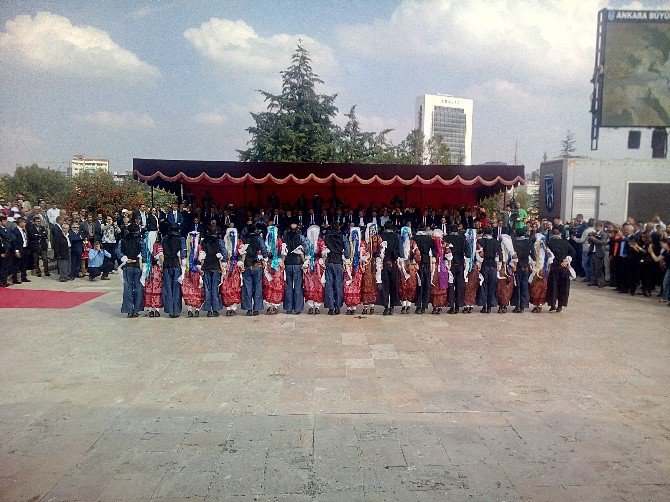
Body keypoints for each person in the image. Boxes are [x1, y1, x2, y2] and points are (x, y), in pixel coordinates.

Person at [241, 220, 267, 316]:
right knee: (258, 287)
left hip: (247, 265)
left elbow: (241, 251)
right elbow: (263, 248)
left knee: (247, 287)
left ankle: (248, 309)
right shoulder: (258, 238)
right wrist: (265, 258)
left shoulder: (244, 238)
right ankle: (256, 308)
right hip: (257, 265)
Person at [546, 228, 575, 312]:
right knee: (563, 286)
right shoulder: (565, 242)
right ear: (560, 234)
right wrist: (567, 260)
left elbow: (547, 254)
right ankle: (560, 305)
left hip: (554, 267)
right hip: (563, 266)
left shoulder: (549, 242)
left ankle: (552, 304)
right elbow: (573, 252)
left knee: (553, 286)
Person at [200, 227, 227, 317]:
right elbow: (224, 253)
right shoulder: (219, 241)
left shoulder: (204, 241)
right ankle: (215, 309)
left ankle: (208, 309)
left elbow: (201, 255)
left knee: (207, 289)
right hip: (215, 266)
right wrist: (223, 264)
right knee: (215, 289)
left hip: (206, 266)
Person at [378, 221, 402, 315]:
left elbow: (378, 249)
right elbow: (400, 249)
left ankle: (385, 306)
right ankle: (392, 306)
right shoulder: (397, 236)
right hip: (393, 262)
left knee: (385, 285)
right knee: (393, 284)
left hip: (384, 263)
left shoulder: (381, 236)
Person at [446, 225, 471, 314]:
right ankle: (458, 305)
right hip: (460, 264)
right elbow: (468, 253)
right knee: (460, 285)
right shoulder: (463, 239)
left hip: (449, 264)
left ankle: (451, 306)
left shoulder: (446, 239)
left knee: (451, 285)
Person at [282, 220, 306, 314]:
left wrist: (283, 262)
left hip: (288, 263)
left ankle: (288, 308)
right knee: (298, 286)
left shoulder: (285, 237)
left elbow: (283, 251)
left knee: (288, 286)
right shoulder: (300, 237)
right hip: (297, 263)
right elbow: (306, 248)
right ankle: (298, 308)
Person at [303, 225, 326, 315]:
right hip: (313, 265)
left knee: (311, 284)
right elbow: (324, 254)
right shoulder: (319, 241)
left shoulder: (308, 242)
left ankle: (313, 306)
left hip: (314, 265)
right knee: (314, 284)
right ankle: (315, 306)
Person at [477, 227, 501, 313]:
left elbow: (479, 253)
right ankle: (490, 306)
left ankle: (484, 305)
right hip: (493, 265)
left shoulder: (481, 241)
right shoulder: (497, 242)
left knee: (484, 285)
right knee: (492, 286)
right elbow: (499, 255)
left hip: (485, 264)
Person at [413, 224, 436, 314]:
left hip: (417, 262)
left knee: (419, 284)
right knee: (426, 283)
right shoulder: (429, 238)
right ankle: (424, 306)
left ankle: (418, 305)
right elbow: (434, 250)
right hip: (426, 261)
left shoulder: (414, 238)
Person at [398, 226, 420, 314]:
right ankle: (404, 305)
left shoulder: (412, 243)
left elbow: (417, 254)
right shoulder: (403, 242)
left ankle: (407, 305)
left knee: (410, 286)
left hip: (409, 266)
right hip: (403, 266)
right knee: (404, 285)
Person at [221, 227, 243, 316]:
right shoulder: (223, 242)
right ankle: (228, 307)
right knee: (225, 287)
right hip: (226, 266)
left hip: (235, 267)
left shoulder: (239, 242)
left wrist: (240, 263)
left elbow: (241, 254)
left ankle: (233, 308)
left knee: (235, 286)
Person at [263, 225, 284, 315]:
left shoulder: (279, 241)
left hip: (277, 264)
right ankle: (268, 305)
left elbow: (283, 252)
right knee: (268, 284)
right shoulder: (266, 241)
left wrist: (281, 261)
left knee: (277, 284)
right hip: (268, 264)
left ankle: (275, 305)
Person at [511, 227, 533, 313]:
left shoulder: (514, 242)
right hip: (525, 266)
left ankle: (517, 305)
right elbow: (532, 254)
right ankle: (523, 305)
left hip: (517, 266)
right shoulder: (528, 242)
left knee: (517, 286)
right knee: (524, 286)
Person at [343, 226, 364, 315]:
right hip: (348, 266)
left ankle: (354, 307)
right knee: (347, 286)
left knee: (356, 287)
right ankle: (348, 307)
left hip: (357, 267)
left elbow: (365, 255)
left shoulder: (361, 245)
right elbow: (344, 253)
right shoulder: (347, 243)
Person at [361, 223, 381, 314]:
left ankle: (372, 305)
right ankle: (365, 305)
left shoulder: (378, 238)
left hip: (375, 263)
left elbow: (381, 249)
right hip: (366, 263)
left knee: (373, 283)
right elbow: (361, 250)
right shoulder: (365, 240)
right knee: (366, 283)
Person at [142, 238, 164, 317]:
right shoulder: (158, 245)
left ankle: (150, 309)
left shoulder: (145, 243)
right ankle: (157, 310)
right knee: (157, 288)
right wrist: (162, 265)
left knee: (148, 288)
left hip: (148, 269)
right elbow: (161, 256)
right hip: (156, 269)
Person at [430, 229, 449, 314]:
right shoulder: (445, 244)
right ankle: (440, 305)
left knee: (435, 286)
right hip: (442, 268)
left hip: (436, 267)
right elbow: (449, 256)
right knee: (441, 286)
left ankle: (435, 306)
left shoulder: (432, 244)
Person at [496, 233, 515, 314]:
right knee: (501, 289)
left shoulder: (511, 252)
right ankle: (502, 305)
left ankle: (504, 305)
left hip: (506, 270)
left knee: (506, 288)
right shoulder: (500, 248)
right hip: (502, 269)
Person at [463, 229, 479, 314]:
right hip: (472, 267)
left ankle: (468, 305)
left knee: (469, 287)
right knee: (470, 287)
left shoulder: (472, 243)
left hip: (470, 267)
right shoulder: (476, 244)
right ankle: (469, 304)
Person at [587, 221, 608, 288]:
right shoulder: (594, 233)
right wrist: (590, 238)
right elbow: (589, 242)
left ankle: (601, 282)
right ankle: (593, 281)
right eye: (595, 226)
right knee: (592, 268)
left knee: (599, 268)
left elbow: (603, 243)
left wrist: (594, 239)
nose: (596, 228)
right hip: (592, 251)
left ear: (601, 227)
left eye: (597, 227)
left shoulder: (603, 234)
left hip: (599, 252)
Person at [11, 217, 31, 284]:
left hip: (25, 248)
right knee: (17, 264)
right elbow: (14, 242)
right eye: (24, 222)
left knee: (24, 264)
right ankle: (14, 279)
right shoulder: (15, 230)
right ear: (20, 223)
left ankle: (24, 277)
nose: (25, 223)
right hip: (19, 249)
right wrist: (16, 251)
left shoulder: (24, 230)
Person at [0, 215, 12, 287]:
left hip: (8, 249)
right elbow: (5, 236)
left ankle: (5, 281)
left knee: (7, 266)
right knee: (2, 267)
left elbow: (12, 236)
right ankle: (1, 281)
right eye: (4, 221)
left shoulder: (8, 228)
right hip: (2, 250)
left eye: (6, 221)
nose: (5, 222)